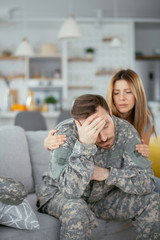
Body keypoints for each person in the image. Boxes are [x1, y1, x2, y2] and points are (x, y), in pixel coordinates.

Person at [37, 94, 160, 240]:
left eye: (105, 125)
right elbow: (70, 192)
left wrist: (108, 174)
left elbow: (148, 182)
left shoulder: (126, 132)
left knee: (153, 201)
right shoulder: (64, 134)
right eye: (94, 130)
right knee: (77, 209)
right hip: (57, 194)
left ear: (110, 112)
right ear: (79, 125)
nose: (103, 137)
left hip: (102, 198)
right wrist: (84, 144)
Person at [44, 69, 156, 158]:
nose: (122, 98)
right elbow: (74, 127)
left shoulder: (146, 121)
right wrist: (47, 143)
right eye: (116, 93)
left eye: (128, 92)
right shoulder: (102, 113)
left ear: (138, 94)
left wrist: (144, 152)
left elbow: (140, 158)